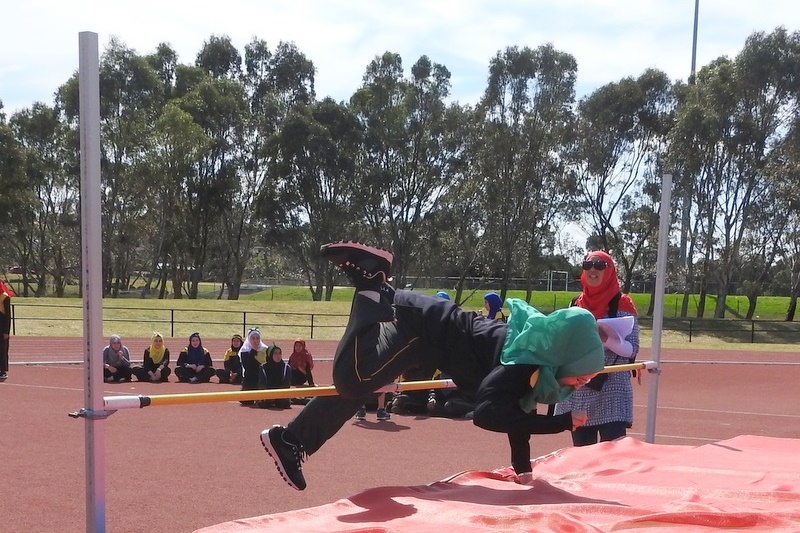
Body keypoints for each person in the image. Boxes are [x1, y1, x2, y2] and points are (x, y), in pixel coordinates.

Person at [260, 241, 604, 491]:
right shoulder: (521, 364)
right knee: (353, 381)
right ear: (566, 357)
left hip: (425, 337)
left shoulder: (531, 355)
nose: (581, 383)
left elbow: (515, 408)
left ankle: (290, 441)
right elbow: (488, 412)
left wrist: (523, 471)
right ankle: (370, 287)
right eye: (583, 374)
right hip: (421, 329)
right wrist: (560, 423)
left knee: (363, 386)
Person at [554, 251, 640, 446]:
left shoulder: (623, 303)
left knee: (614, 455)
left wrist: (606, 338)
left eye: (599, 265)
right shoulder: (575, 304)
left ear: (609, 270)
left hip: (611, 388)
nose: (593, 270)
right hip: (579, 389)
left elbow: (632, 349)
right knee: (583, 455)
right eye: (588, 265)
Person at [255, 344, 292, 409]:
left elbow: (286, 384)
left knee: (284, 403)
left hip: (280, 394)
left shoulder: (286, 367)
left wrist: (277, 395)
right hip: (267, 393)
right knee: (263, 403)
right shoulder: (263, 367)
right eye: (275, 353)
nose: (278, 356)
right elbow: (262, 384)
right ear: (270, 355)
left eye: (279, 353)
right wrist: (269, 395)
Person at [240, 328, 269, 399]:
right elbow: (247, 366)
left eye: (257, 338)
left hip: (262, 378)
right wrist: (253, 351)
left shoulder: (265, 349)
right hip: (250, 378)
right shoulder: (244, 350)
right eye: (253, 338)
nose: (255, 340)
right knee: (245, 401)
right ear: (249, 339)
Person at [0, 279, 14, 381]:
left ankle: (2, 371)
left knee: (2, 349)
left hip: (2, 326)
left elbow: (8, 315)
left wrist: (6, 331)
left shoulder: (5, 297)